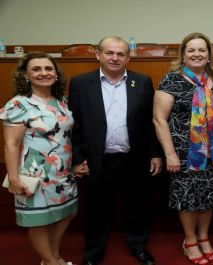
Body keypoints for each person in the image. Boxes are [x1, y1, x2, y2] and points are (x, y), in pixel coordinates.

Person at [68, 36, 164, 265]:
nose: (115, 58)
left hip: (134, 158)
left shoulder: (142, 82)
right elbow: (75, 124)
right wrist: (78, 157)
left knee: (137, 207)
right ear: (98, 55)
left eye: (121, 54)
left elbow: (150, 122)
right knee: (96, 210)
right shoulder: (81, 83)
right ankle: (93, 253)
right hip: (97, 159)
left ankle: (139, 247)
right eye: (109, 53)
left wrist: (154, 153)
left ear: (128, 58)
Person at [153, 32, 213, 265]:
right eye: (191, 50)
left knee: (209, 195)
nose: (197, 54)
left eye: (202, 50)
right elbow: (159, 119)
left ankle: (204, 237)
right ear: (183, 55)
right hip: (184, 153)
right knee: (188, 198)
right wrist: (169, 154)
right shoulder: (171, 80)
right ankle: (189, 240)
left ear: (209, 55)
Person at [0, 52, 77, 265]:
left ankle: (51, 256)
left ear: (56, 74)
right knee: (38, 221)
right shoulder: (19, 104)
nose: (44, 73)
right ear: (25, 75)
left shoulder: (61, 101)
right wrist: (14, 178)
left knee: (65, 214)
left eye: (48, 68)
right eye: (36, 69)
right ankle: (53, 261)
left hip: (63, 172)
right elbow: (11, 144)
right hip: (34, 173)